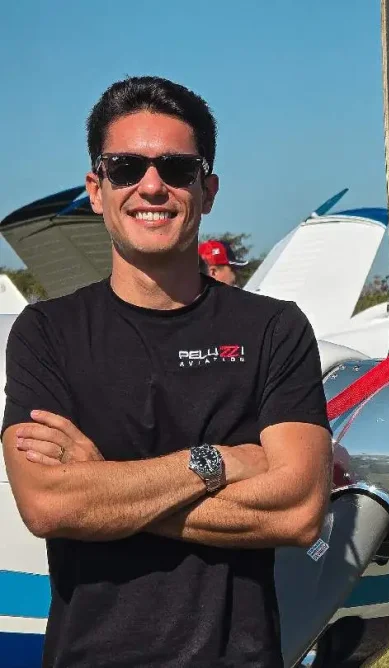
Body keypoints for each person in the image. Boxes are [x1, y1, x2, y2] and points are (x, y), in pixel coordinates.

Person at [1, 75, 332, 667]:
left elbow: (300, 509)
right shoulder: (46, 333)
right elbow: (49, 506)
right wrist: (220, 461)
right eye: (126, 167)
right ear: (96, 189)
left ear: (208, 190)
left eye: (176, 170)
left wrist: (105, 490)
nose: (151, 186)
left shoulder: (274, 330)